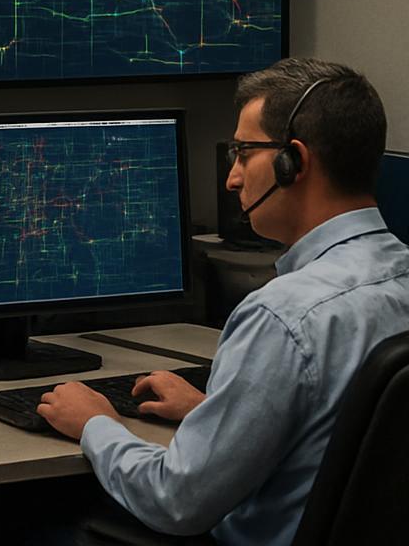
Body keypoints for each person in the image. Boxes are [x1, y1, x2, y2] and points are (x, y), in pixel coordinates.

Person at [38, 58, 409, 545]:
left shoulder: (283, 316)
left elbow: (176, 500)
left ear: (293, 162)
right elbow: (344, 435)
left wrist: (95, 423)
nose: (232, 179)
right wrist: (214, 412)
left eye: (244, 153)